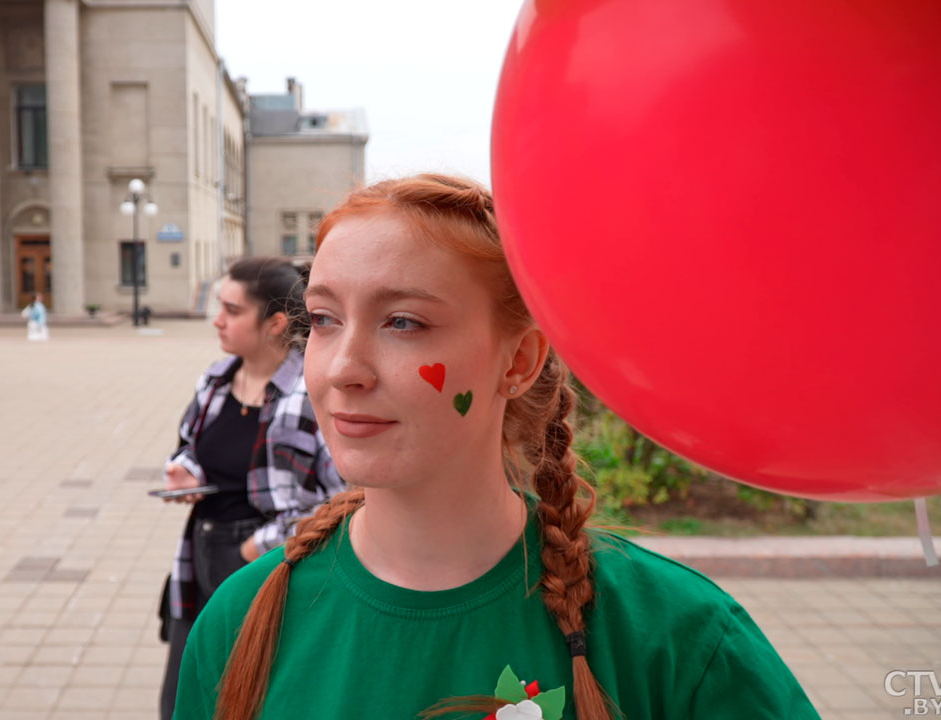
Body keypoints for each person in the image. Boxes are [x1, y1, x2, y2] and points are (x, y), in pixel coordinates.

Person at [172, 176, 820, 720]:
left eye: (404, 322)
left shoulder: (675, 638)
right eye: (324, 320)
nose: (344, 368)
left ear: (519, 361)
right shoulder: (241, 622)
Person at [158, 257, 345, 719]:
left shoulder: (311, 394)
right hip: (198, 555)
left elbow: (343, 501)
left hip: (268, 562)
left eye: (232, 310)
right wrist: (186, 474)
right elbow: (189, 448)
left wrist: (254, 547)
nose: (218, 319)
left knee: (251, 698)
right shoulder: (216, 380)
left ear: (275, 323)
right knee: (185, 696)